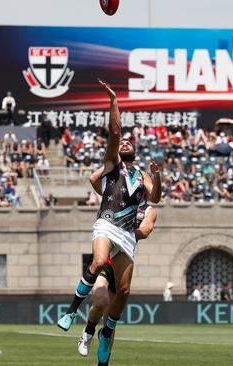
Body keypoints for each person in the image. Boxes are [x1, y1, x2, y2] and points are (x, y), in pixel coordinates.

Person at [57, 79, 161, 366]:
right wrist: (114, 101)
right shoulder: (114, 166)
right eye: (122, 142)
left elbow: (151, 214)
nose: (124, 142)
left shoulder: (143, 179)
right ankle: (78, 320)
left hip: (127, 236)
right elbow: (114, 133)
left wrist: (157, 177)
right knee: (100, 286)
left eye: (130, 142)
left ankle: (104, 342)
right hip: (107, 226)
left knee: (123, 293)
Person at [77, 166, 159, 360]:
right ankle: (88, 331)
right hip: (106, 257)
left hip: (122, 259)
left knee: (109, 326)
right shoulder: (117, 197)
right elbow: (96, 179)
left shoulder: (149, 210)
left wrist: (125, 234)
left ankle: (103, 361)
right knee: (100, 301)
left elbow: (145, 230)